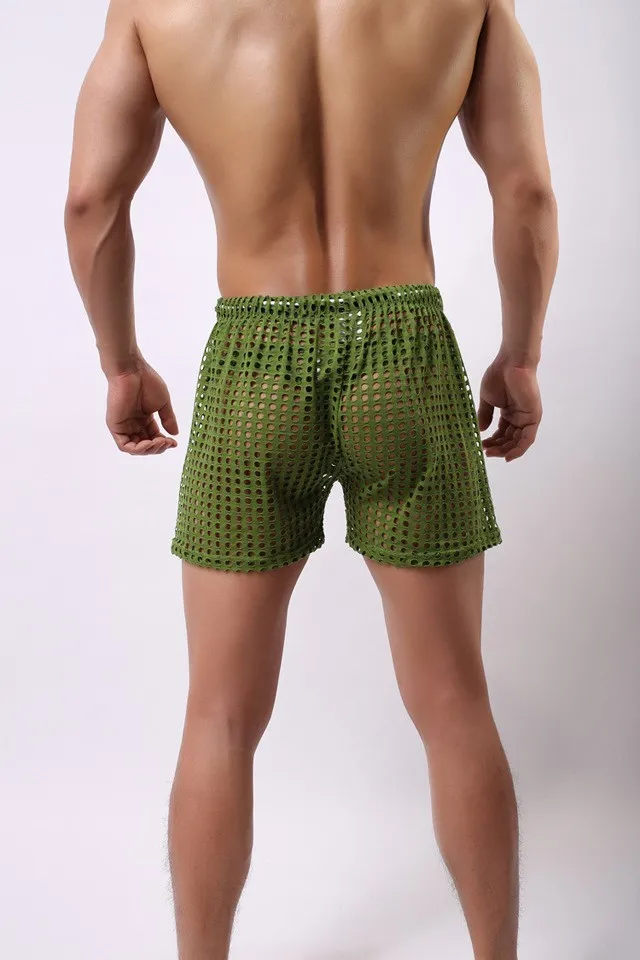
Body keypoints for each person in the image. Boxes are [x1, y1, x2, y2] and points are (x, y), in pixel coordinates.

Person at [64, 0, 558, 957]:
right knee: (456, 706)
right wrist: (522, 354)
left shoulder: (154, 6)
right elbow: (527, 190)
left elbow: (91, 201)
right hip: (405, 354)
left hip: (252, 367)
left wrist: (120, 364)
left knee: (219, 716)